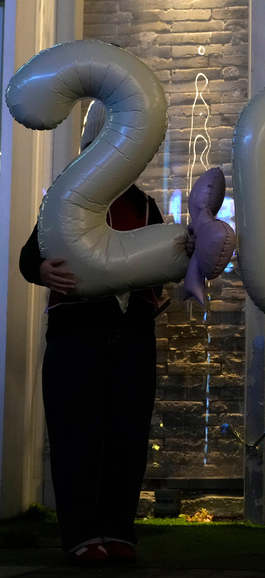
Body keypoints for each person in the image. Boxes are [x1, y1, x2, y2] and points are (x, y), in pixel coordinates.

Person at [19, 113, 169, 566]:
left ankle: (117, 529)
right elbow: (31, 256)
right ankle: (82, 534)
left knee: (127, 435)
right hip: (76, 335)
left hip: (132, 336)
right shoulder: (66, 200)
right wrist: (41, 270)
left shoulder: (145, 206)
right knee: (77, 435)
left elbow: (163, 260)